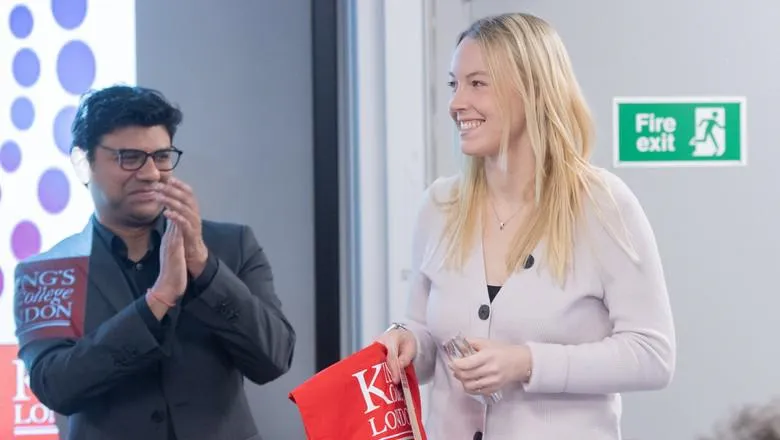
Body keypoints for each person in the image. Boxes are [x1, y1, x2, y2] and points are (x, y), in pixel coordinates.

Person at [378, 12, 676, 440]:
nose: (456, 103)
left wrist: (527, 362)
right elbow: (425, 339)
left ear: (532, 90)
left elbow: (653, 355)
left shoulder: (602, 206)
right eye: (453, 84)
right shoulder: (439, 206)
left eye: (477, 83)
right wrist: (404, 341)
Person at [13, 85, 296, 440]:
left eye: (161, 156)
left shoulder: (232, 245)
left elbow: (273, 358)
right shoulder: (48, 272)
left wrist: (204, 269)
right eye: (129, 157)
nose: (150, 173)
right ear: (83, 163)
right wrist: (156, 302)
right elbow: (56, 386)